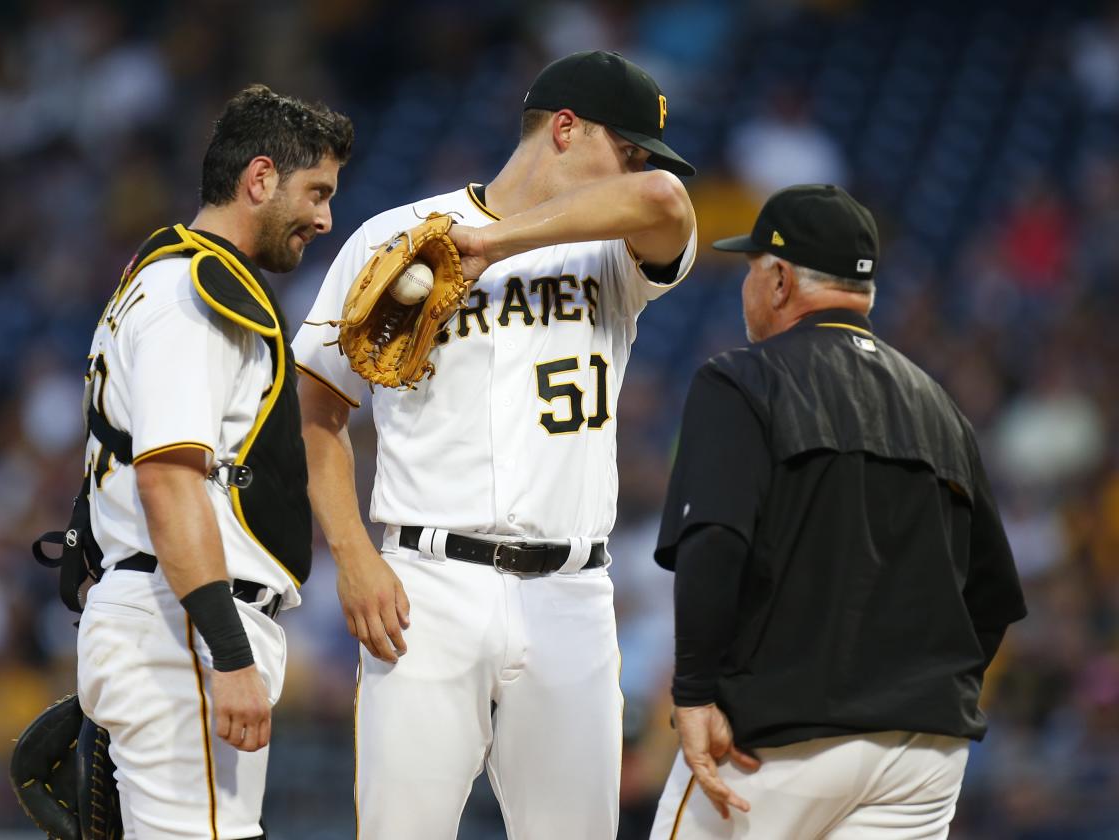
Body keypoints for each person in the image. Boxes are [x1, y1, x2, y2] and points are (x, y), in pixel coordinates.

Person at [292, 50, 697, 839]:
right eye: (628, 146)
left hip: (573, 594)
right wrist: (353, 555)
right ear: (568, 129)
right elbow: (318, 412)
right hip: (427, 588)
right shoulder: (395, 236)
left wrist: (493, 245)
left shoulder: (612, 252)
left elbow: (666, 199)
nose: (637, 168)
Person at [649, 184, 1027, 839]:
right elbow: (991, 596)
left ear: (779, 280)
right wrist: (919, 690)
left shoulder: (742, 379)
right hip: (922, 755)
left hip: (774, 738)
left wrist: (694, 693)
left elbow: (715, 542)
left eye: (750, 269)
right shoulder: (942, 408)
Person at [74, 84, 352, 837]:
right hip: (183, 625)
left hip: (171, 614)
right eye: (315, 191)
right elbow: (168, 482)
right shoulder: (195, 294)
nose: (326, 217)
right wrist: (229, 654)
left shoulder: (161, 278)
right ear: (259, 179)